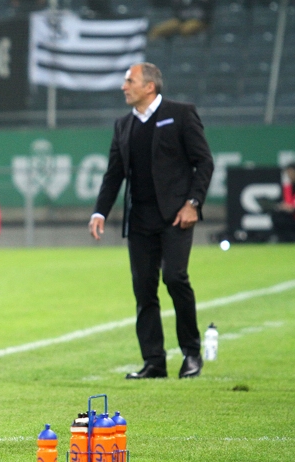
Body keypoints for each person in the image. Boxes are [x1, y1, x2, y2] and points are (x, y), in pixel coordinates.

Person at [89, 62, 214, 380]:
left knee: (175, 279)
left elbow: (204, 161)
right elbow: (114, 173)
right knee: (144, 290)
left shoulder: (182, 113)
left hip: (176, 217)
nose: (123, 86)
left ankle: (191, 353)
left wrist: (193, 204)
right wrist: (100, 211)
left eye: (129, 80)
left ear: (149, 87)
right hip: (140, 219)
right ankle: (154, 361)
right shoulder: (123, 126)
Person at [148, 0, 213, 40]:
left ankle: (182, 48)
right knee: (156, 30)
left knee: (186, 29)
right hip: (180, 21)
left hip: (198, 21)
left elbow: (207, 13)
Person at [270, 163, 295, 242]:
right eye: (288, 173)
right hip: (291, 216)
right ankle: (283, 240)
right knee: (277, 217)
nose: (290, 176)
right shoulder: (288, 188)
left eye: (291, 173)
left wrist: (293, 209)